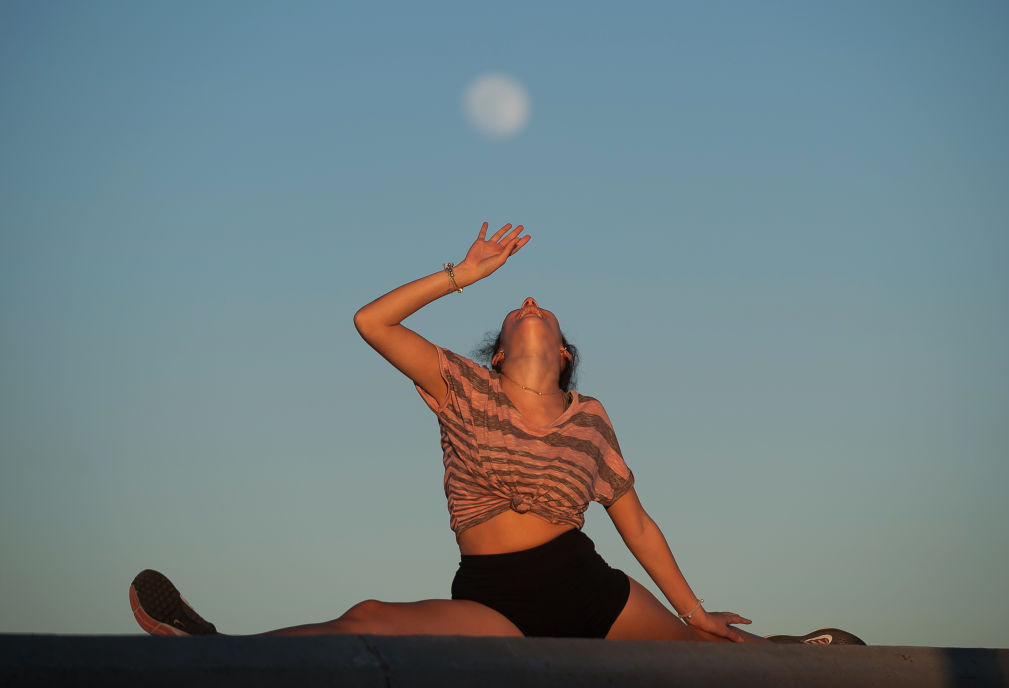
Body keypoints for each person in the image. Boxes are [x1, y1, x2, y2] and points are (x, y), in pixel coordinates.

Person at [130, 222, 864, 646]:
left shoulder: (592, 418)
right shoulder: (461, 386)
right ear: (500, 353)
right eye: (516, 310)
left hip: (589, 585)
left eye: (540, 307)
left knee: (710, 657)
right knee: (367, 621)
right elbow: (371, 323)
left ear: (564, 355)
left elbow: (635, 521)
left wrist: (694, 609)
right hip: (494, 597)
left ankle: (801, 653)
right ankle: (212, 647)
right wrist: (462, 275)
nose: (530, 298)